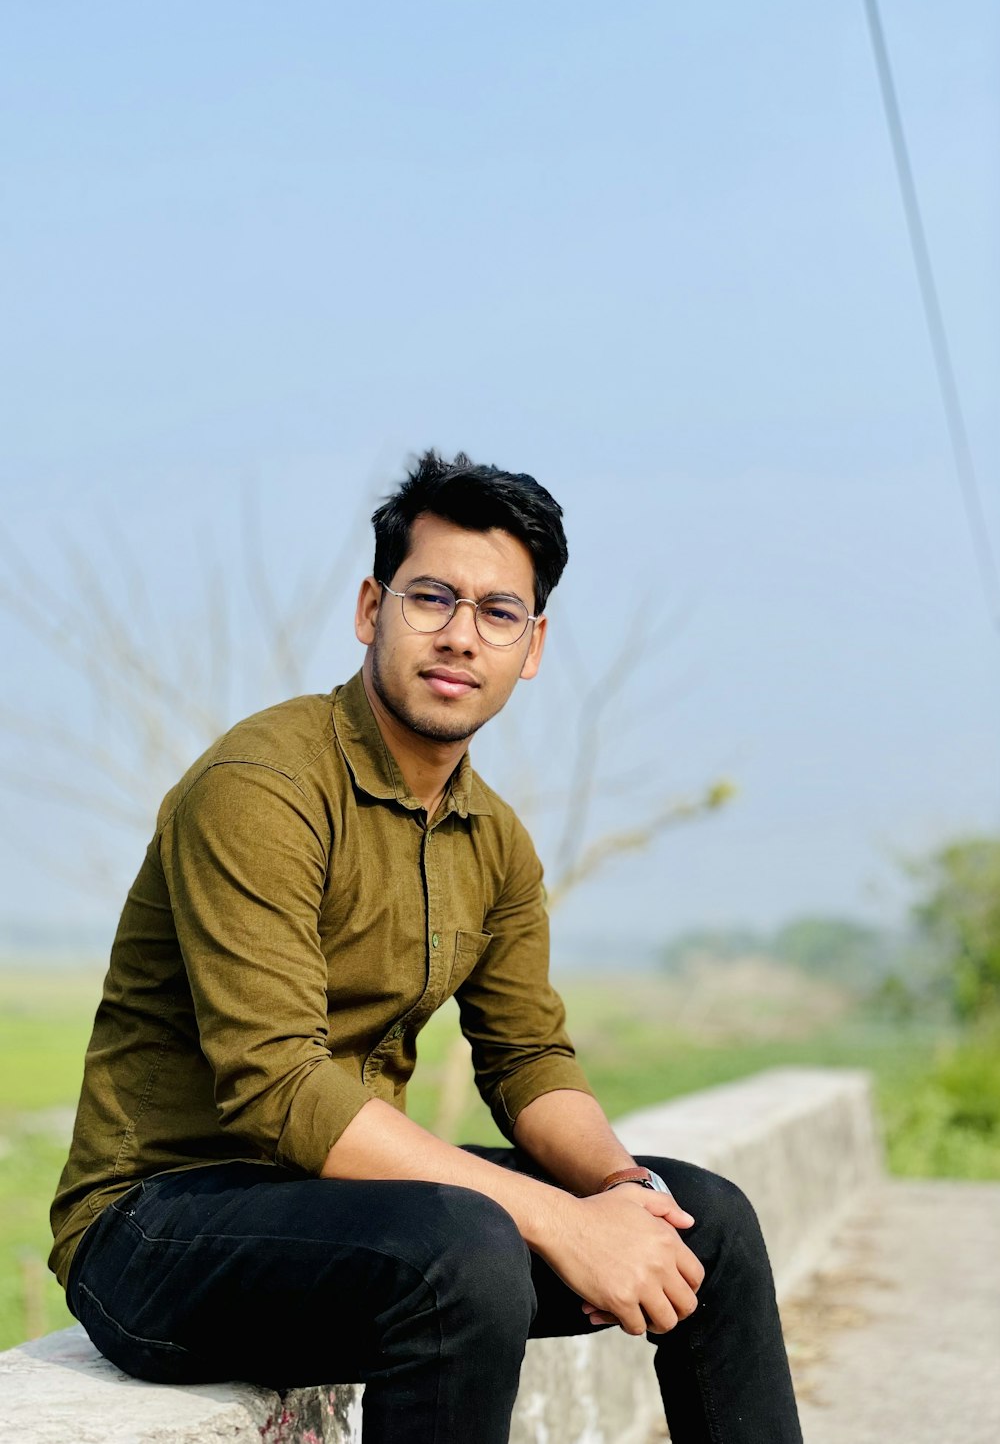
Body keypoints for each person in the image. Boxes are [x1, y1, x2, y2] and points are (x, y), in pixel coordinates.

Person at [50, 450, 802, 1444]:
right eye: (432, 597)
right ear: (371, 608)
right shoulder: (262, 786)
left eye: (497, 613)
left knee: (705, 1222)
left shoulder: (495, 841)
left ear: (531, 647)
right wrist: (558, 1222)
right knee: (465, 1250)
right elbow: (277, 1086)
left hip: (355, 1218)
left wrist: (619, 1196)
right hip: (158, 1229)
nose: (459, 636)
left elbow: (530, 1059)